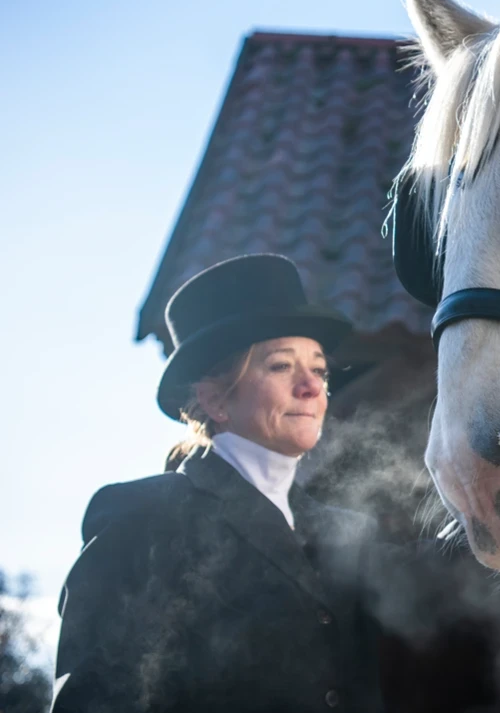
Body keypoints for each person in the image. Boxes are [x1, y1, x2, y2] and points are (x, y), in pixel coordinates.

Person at [51, 254, 391, 712]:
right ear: (215, 400)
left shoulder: (350, 533)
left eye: (319, 370)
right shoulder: (143, 516)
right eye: (281, 366)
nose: (312, 387)